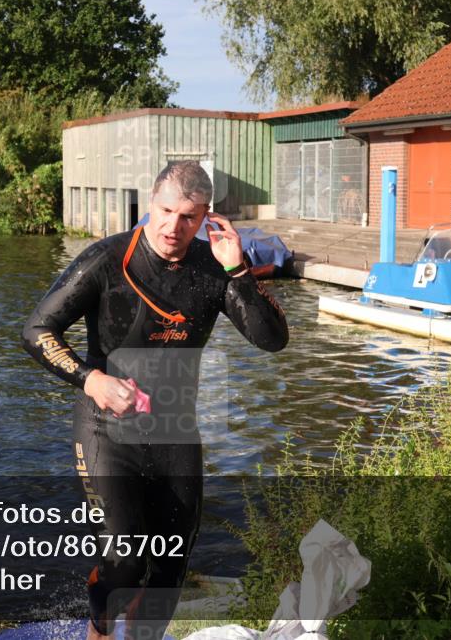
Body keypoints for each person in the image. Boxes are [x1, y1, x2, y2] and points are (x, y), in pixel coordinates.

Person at [22, 161, 289, 640]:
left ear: (206, 215)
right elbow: (37, 331)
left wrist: (239, 270)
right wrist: (91, 380)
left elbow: (272, 340)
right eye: (165, 211)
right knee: (124, 558)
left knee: (168, 567)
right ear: (151, 202)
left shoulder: (215, 267)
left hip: (175, 434)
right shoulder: (107, 260)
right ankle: (100, 629)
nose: (172, 226)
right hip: (106, 429)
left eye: (188, 216)